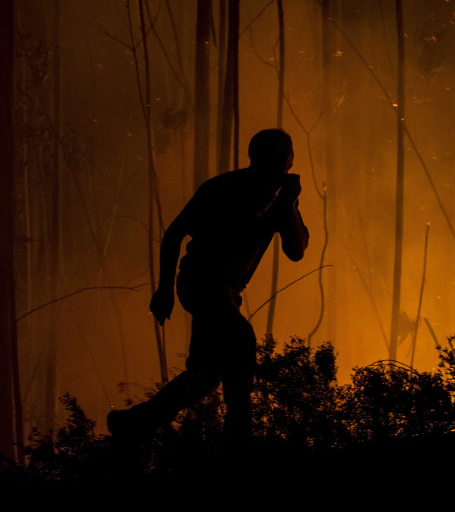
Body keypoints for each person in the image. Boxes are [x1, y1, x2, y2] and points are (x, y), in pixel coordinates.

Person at [107, 128, 308, 444]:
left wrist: (289, 204)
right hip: (200, 281)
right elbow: (174, 234)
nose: (279, 166)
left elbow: (296, 251)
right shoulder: (223, 188)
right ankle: (238, 439)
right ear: (257, 158)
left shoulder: (280, 202)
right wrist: (164, 290)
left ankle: (135, 422)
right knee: (241, 339)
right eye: (274, 158)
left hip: (225, 293)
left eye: (282, 160)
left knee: (204, 376)